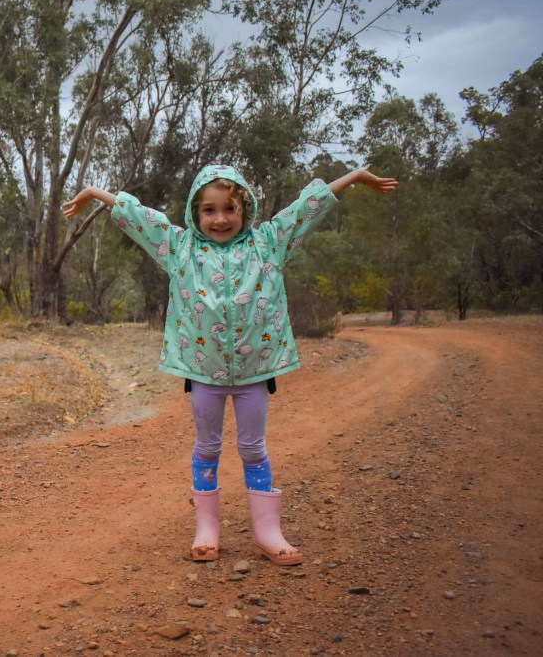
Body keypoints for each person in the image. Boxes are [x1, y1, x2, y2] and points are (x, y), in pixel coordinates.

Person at [62, 165, 398, 565]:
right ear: (195, 211)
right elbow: (139, 217)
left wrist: (354, 176)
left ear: (245, 209)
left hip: (254, 372)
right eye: (209, 210)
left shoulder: (268, 243)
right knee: (207, 447)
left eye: (229, 209)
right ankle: (206, 530)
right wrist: (96, 193)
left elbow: (306, 208)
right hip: (204, 373)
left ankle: (267, 532)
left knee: (253, 447)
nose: (220, 219)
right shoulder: (179, 247)